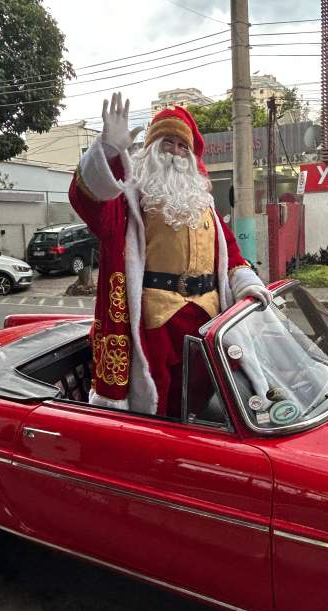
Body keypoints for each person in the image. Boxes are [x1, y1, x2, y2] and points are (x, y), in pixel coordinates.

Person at [69, 92, 271, 417]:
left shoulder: (204, 204)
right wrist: (107, 151)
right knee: (157, 397)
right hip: (155, 318)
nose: (176, 153)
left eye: (182, 146)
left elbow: (230, 253)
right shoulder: (130, 199)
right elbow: (89, 202)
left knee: (205, 393)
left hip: (208, 317)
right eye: (168, 143)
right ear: (150, 150)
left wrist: (247, 283)